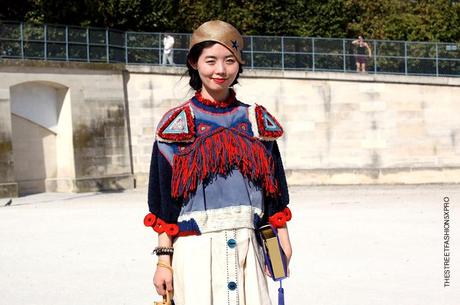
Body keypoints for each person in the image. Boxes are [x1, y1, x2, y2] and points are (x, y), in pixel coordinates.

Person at [144, 20, 293, 305]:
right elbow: (164, 203)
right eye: (210, 60)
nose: (220, 70)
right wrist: (163, 261)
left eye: (229, 61)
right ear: (194, 63)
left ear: (239, 64)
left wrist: (281, 241)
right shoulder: (176, 125)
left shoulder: (256, 121)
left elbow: (275, 192)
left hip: (249, 248)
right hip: (195, 250)